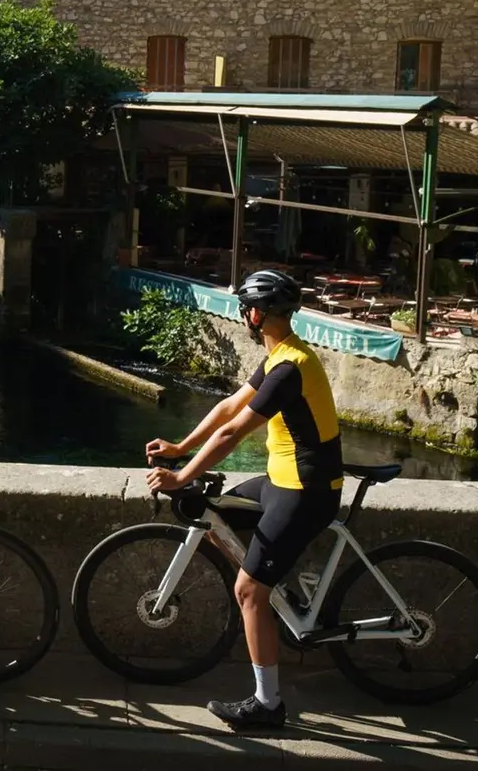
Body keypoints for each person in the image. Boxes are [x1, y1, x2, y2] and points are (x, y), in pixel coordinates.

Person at [144, 269, 342, 731]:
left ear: (257, 314)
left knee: (248, 590)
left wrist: (180, 477)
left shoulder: (290, 368)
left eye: (247, 310)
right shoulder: (281, 357)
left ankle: (268, 704)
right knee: (215, 521)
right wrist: (181, 447)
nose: (246, 317)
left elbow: (234, 432)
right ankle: (275, 589)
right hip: (281, 480)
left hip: (305, 491)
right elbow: (228, 407)